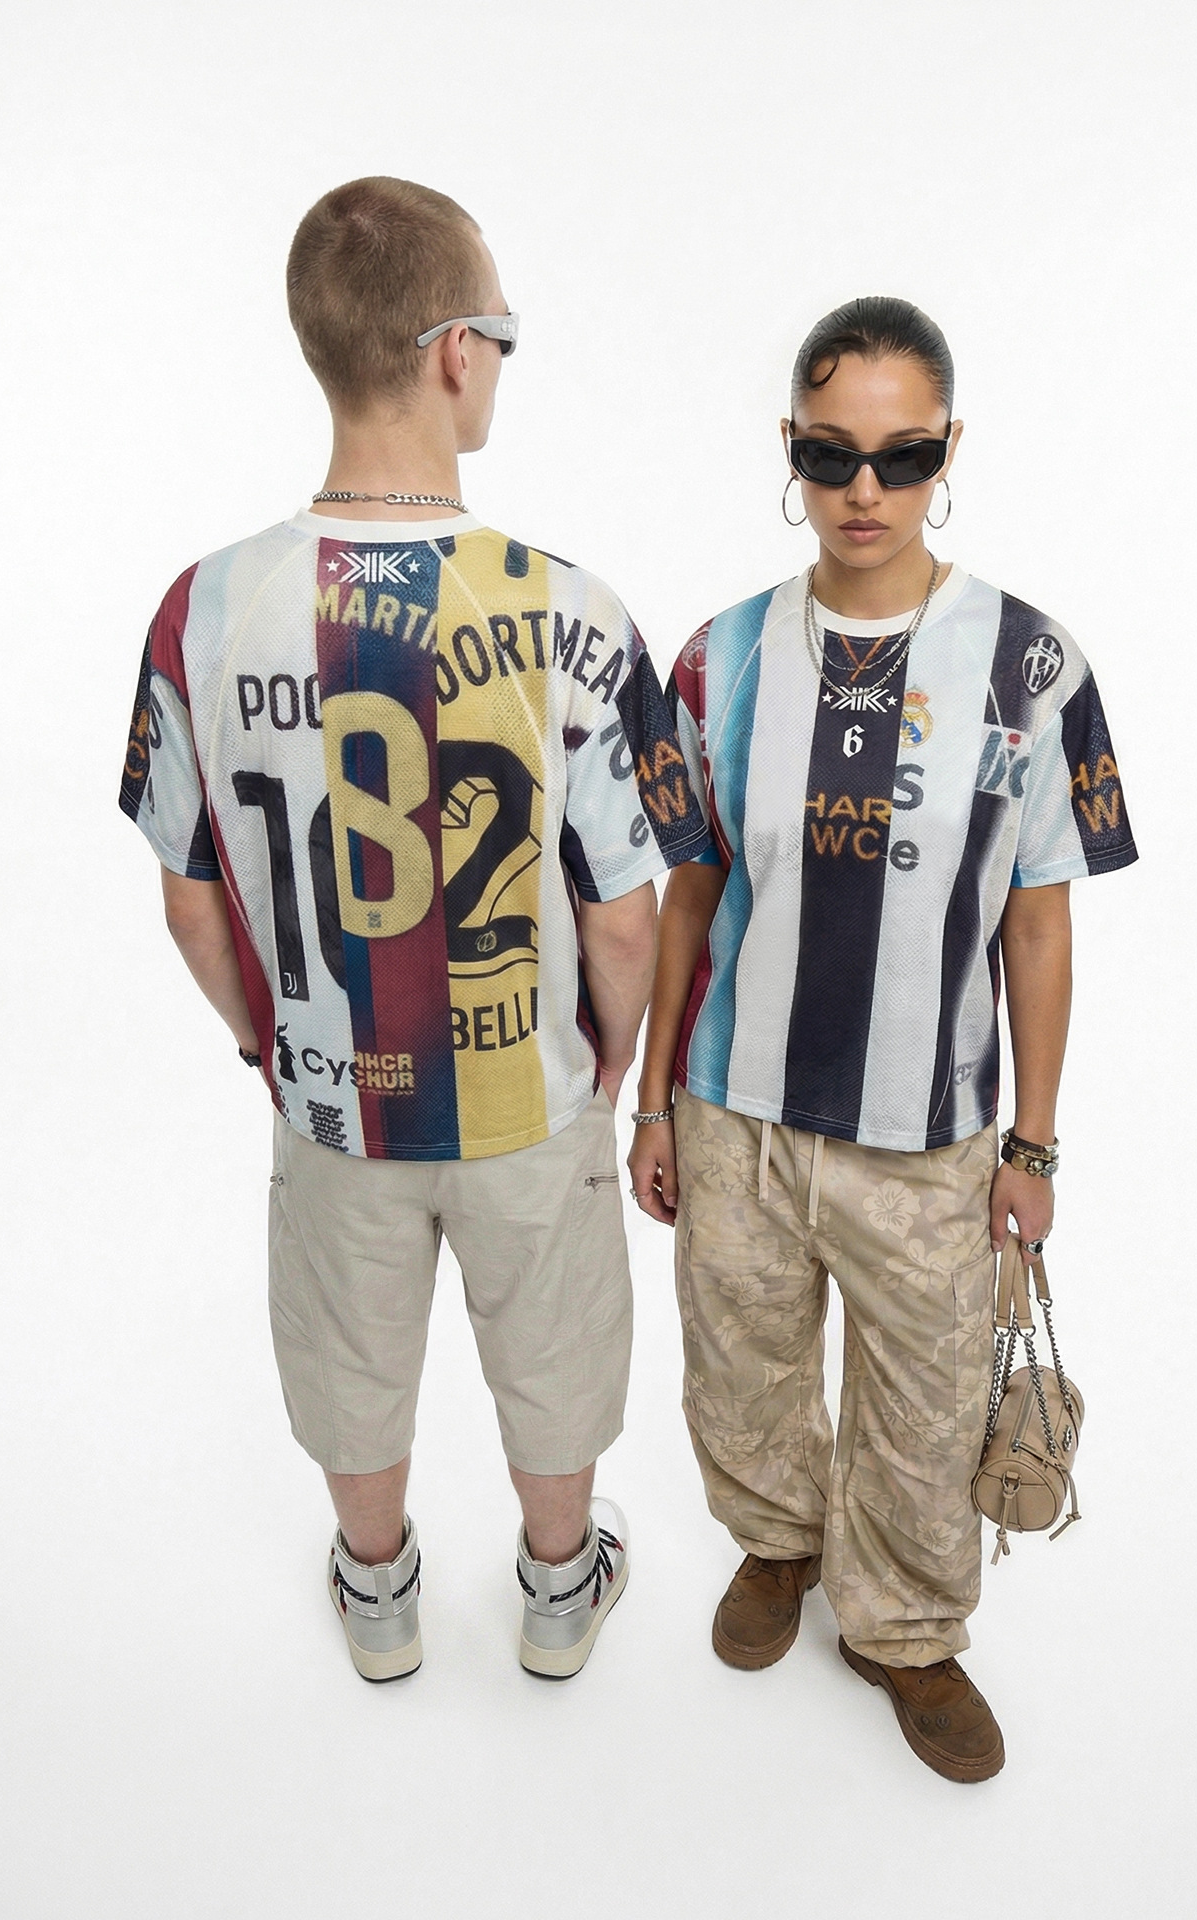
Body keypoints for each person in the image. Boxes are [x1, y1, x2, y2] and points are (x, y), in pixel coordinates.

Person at [120, 177, 709, 1683]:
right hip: (528, 1095)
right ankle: (560, 1590)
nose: (499, 362)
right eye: (500, 334)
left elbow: (189, 896)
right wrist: (611, 1056)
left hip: (331, 1098)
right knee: (556, 1352)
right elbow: (625, 917)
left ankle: (377, 1597)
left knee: (349, 1356)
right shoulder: (574, 611)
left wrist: (266, 1041)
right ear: (454, 350)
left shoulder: (201, 611)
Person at [627, 297, 1136, 1780]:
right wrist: (655, 1103)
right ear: (788, 451)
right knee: (741, 1371)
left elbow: (1039, 925)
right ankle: (778, 1543)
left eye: (902, 456)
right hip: (736, 1107)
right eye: (829, 453)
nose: (864, 489)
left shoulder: (1032, 667)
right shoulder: (721, 659)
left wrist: (1035, 1145)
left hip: (930, 1135)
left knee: (927, 1409)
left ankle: (904, 1629)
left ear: (948, 451)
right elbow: (688, 894)